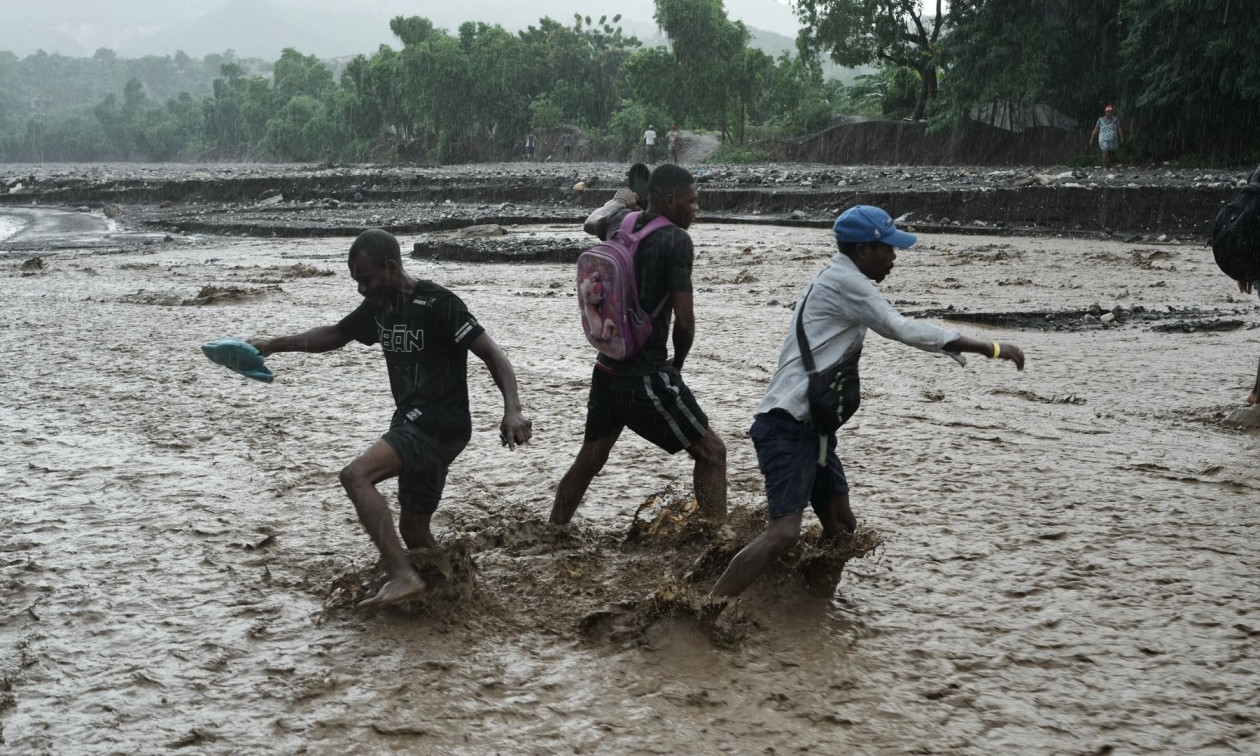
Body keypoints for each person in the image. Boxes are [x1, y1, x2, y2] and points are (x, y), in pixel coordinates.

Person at [710, 206, 1026, 598]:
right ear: (862, 251)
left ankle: (811, 608)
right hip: (788, 424)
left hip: (813, 426)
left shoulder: (836, 276)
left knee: (841, 526)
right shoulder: (847, 283)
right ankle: (703, 609)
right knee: (784, 533)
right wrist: (989, 347)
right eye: (888, 249)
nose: (894, 257)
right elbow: (901, 328)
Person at [248, 229, 532, 610]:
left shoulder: (438, 303)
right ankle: (453, 595)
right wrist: (271, 345)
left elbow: (493, 355)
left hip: (437, 422)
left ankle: (402, 576)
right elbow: (335, 334)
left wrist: (512, 409)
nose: (362, 289)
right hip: (416, 423)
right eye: (356, 281)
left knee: (356, 476)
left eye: (366, 278)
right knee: (413, 531)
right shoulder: (380, 306)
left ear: (392, 267)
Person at [551, 164, 727, 525]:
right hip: (644, 373)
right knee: (712, 453)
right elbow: (685, 322)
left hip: (607, 368)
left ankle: (553, 530)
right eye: (692, 201)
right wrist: (676, 365)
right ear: (670, 199)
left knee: (589, 461)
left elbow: (591, 220)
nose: (696, 209)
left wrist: (619, 200)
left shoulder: (620, 223)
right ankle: (717, 542)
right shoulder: (677, 241)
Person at [1088, 105, 1125, 170]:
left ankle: (1108, 165)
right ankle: (1104, 166)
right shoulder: (1100, 120)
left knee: (1110, 153)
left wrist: (1121, 137)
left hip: (1112, 138)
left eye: (1110, 112)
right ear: (1105, 113)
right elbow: (1096, 129)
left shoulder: (1115, 119)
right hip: (1103, 138)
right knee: (1105, 151)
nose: (1109, 114)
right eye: (1108, 112)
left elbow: (1119, 128)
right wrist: (1091, 139)